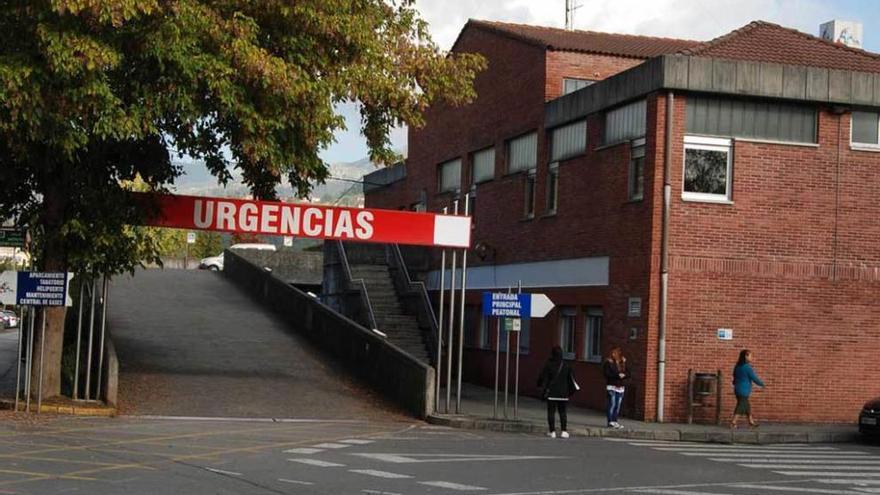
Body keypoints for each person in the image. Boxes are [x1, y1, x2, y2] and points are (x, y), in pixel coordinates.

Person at [537, 346, 579, 438]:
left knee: (551, 412)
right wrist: (570, 391)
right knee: (563, 412)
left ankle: (552, 431)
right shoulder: (566, 365)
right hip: (563, 393)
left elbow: (542, 377)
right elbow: (571, 380)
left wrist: (540, 386)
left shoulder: (549, 364)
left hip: (552, 392)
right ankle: (564, 431)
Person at [730, 349, 765, 428]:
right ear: (746, 356)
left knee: (746, 406)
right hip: (744, 390)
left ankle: (751, 422)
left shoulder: (737, 366)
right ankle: (733, 422)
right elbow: (754, 378)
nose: (751, 358)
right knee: (741, 406)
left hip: (737, 389)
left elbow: (734, 377)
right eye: (750, 356)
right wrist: (762, 384)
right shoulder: (747, 367)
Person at [603, 347, 628, 429]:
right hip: (612, 386)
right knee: (612, 404)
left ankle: (615, 421)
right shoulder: (609, 362)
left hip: (620, 386)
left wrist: (624, 375)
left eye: (616, 353)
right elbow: (607, 374)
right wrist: (617, 375)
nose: (614, 355)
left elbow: (628, 372)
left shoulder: (622, 363)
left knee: (618, 405)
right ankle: (610, 421)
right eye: (613, 353)